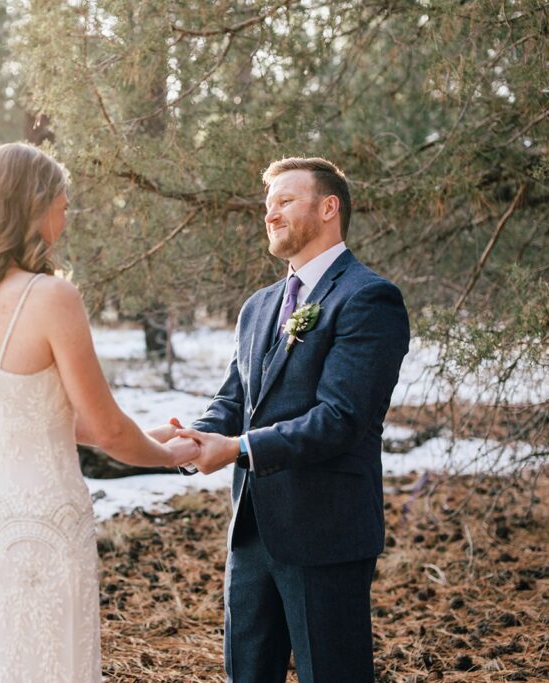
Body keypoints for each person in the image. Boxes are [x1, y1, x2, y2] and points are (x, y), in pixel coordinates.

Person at [0, 142, 199, 682]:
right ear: (30, 208)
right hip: (46, 522)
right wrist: (168, 457)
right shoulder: (51, 297)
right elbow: (105, 428)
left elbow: (30, 414)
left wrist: (141, 435)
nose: (66, 212)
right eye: (60, 199)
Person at [175, 157, 410, 682]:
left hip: (326, 531)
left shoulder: (368, 298)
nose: (270, 215)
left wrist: (238, 450)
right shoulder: (258, 307)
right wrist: (191, 440)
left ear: (329, 208)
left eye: (284, 202)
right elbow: (235, 399)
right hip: (253, 533)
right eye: (267, 206)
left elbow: (341, 418)